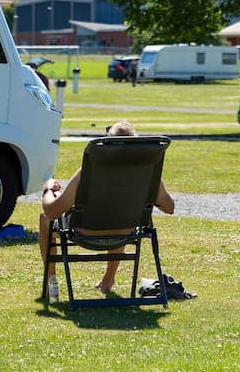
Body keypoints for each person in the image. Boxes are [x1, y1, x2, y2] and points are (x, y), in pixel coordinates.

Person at [38, 120, 175, 299]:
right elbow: (169, 207)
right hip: (125, 234)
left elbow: (52, 211)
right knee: (121, 212)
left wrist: (48, 189)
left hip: (85, 232)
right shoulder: (147, 174)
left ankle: (51, 282)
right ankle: (108, 280)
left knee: (44, 218)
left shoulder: (88, 173)